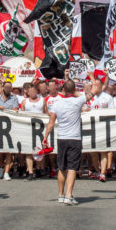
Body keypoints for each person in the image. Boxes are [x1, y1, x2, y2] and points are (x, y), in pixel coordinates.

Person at [43, 74, 97, 206]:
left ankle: (61, 194)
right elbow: (95, 89)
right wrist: (91, 76)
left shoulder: (56, 103)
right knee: (72, 167)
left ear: (62, 90)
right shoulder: (77, 101)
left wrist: (45, 137)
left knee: (61, 167)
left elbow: (51, 122)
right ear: (74, 91)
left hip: (61, 138)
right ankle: (68, 195)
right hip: (74, 138)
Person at [0, 81, 20, 180]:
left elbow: (16, 109)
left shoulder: (14, 98)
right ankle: (0, 167)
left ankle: (6, 172)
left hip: (9, 127)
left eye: (10, 87)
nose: (8, 89)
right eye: (7, 87)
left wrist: (7, 110)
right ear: (3, 87)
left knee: (8, 151)